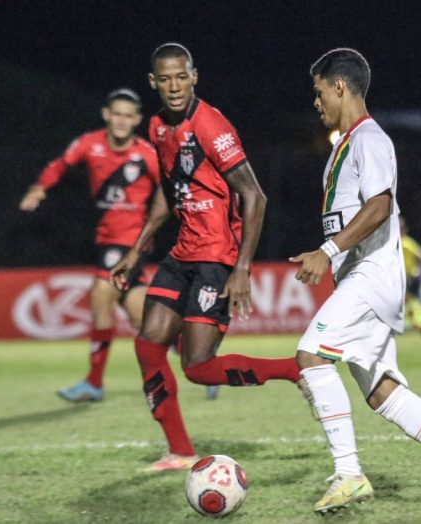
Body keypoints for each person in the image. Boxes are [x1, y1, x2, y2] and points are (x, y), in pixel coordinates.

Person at [290, 48, 421, 514]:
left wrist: (327, 253)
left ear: (340, 87)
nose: (316, 101)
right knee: (382, 392)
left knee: (310, 353)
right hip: (360, 275)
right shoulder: (343, 146)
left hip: (370, 277)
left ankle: (349, 474)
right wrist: (331, 254)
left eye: (319, 91)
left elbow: (381, 206)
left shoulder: (370, 139)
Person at [109, 43, 301, 472]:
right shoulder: (158, 126)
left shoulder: (211, 126)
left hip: (217, 257)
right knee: (148, 343)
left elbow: (255, 196)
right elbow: (168, 192)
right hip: (182, 255)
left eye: (182, 76)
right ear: (153, 82)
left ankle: (293, 370)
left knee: (197, 367)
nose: (174, 86)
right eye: (165, 78)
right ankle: (179, 450)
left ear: (194, 76)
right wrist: (135, 251)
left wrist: (241, 268)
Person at [19, 89, 160, 402]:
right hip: (105, 239)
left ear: (137, 120)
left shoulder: (147, 154)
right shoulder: (89, 144)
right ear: (106, 115)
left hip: (132, 243)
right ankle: (200, 362)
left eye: (129, 115)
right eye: (117, 114)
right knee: (142, 318)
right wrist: (39, 188)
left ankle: (94, 383)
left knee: (100, 295)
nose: (122, 120)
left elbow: (169, 188)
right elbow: (59, 165)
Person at [399, 215, 421, 336]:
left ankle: (415, 323)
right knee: (412, 300)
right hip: (411, 275)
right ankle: (418, 323)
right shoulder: (408, 242)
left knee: (408, 300)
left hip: (407, 276)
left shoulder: (403, 243)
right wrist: (416, 266)